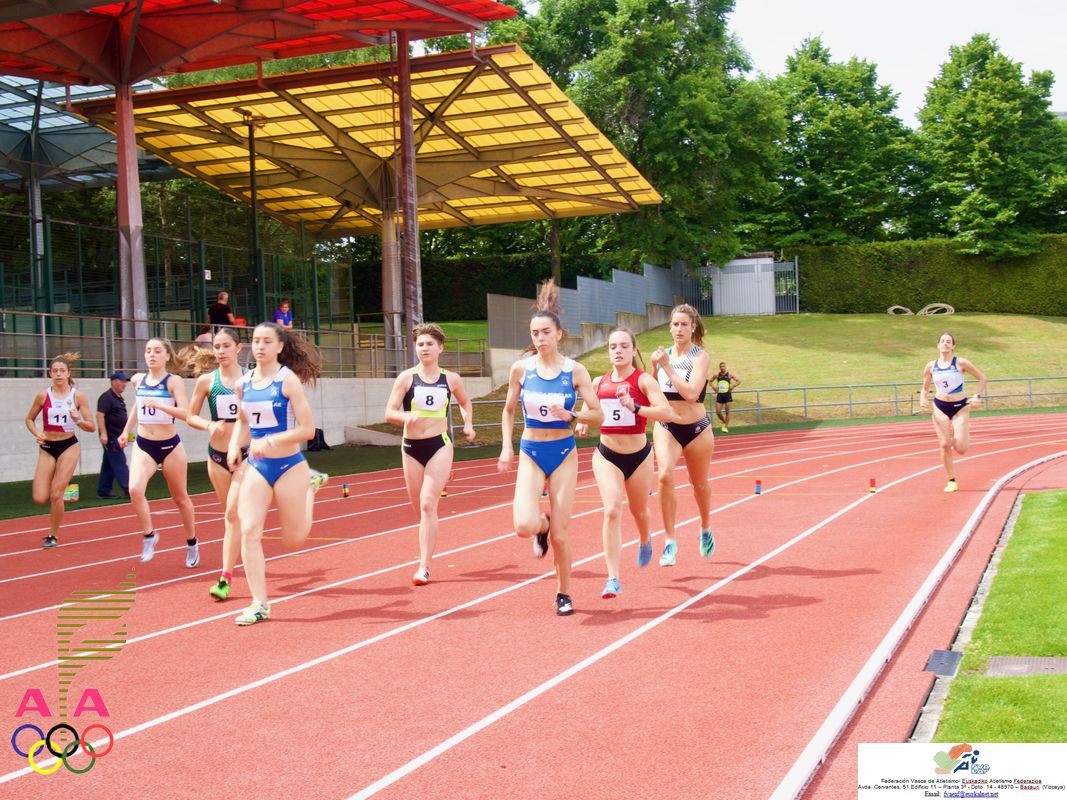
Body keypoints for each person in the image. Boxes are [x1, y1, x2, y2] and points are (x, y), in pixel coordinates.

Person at [498, 279, 602, 617]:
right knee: (523, 526)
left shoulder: (576, 371)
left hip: (562, 454)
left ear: (559, 334)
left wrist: (571, 415)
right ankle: (540, 526)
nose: (539, 339)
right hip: (530, 450)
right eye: (534, 333)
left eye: (545, 332)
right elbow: (509, 408)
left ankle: (564, 593)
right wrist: (506, 447)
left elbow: (598, 413)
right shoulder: (521, 369)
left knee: (561, 534)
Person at [227, 322, 329, 625]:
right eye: (256, 341)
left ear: (280, 347)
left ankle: (310, 486)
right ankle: (260, 603)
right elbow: (243, 422)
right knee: (249, 530)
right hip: (257, 467)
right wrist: (235, 445)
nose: (260, 346)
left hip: (289, 466)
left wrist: (270, 440)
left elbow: (307, 430)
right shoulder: (243, 384)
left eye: (267, 341)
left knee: (293, 541)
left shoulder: (288, 382)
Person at [575, 329, 675, 599]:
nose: (617, 350)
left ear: (633, 350)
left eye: (623, 346)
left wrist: (636, 408)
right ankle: (612, 578)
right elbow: (591, 411)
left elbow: (668, 412)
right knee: (611, 511)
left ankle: (645, 538)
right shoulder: (598, 383)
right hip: (607, 455)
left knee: (639, 510)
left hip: (639, 456)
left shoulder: (642, 381)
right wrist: (583, 421)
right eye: (612, 346)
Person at [384, 323, 476, 585]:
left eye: (429, 344)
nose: (424, 348)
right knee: (420, 508)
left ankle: (424, 566)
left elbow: (465, 402)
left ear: (440, 348)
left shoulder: (451, 379)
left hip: (439, 444)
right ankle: (430, 526)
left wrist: (467, 423)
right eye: (420, 344)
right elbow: (389, 412)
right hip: (411, 448)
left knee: (427, 503)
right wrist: (405, 416)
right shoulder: (406, 378)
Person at [118, 338, 199, 568]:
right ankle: (149, 535)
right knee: (134, 490)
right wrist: (126, 430)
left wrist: (162, 406)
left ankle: (192, 542)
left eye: (156, 351)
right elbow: (138, 404)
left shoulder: (173, 382)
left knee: (180, 498)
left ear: (166, 356)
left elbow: (186, 413)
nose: (151, 355)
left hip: (170, 446)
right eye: (147, 351)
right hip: (144, 445)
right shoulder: (137, 380)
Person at [184, 328, 250, 601]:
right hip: (216, 457)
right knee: (230, 517)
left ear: (239, 347)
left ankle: (224, 579)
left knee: (233, 514)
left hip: (246, 455)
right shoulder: (206, 381)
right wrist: (209, 424)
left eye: (226, 346)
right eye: (217, 346)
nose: (220, 351)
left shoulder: (251, 379)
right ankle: (246, 547)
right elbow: (190, 416)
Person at [652, 303, 715, 566]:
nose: (679, 328)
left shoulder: (701, 357)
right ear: (669, 328)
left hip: (697, 428)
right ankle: (669, 541)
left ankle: (705, 527)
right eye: (675, 324)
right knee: (665, 475)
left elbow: (691, 393)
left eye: (684, 324)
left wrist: (667, 368)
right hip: (668, 426)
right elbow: (651, 392)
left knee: (698, 484)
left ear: (693, 328)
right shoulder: (661, 356)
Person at [25, 353, 96, 548]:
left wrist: (77, 420)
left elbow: (92, 426)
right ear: (50, 373)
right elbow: (29, 419)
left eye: (62, 371)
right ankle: (56, 488)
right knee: (40, 498)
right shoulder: (43, 395)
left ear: (68, 373)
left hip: (68, 446)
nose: (58, 374)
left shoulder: (78, 396)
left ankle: (53, 535)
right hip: (47, 447)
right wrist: (36, 433)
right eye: (54, 371)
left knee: (57, 494)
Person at [920, 332, 988, 492]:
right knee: (944, 444)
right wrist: (923, 397)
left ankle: (961, 431)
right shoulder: (931, 366)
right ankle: (951, 481)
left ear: (953, 346)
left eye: (948, 341)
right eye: (942, 341)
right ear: (938, 345)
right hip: (940, 406)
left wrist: (977, 396)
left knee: (961, 448)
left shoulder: (960, 363)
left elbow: (983, 378)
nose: (945, 343)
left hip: (960, 407)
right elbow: (925, 386)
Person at [96, 371, 130, 499]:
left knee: (109, 464)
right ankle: (129, 488)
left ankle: (104, 490)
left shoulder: (117, 398)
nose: (124, 384)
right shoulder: (107, 397)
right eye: (122, 381)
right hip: (111, 437)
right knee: (120, 462)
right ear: (114, 382)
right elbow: (100, 415)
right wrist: (103, 434)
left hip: (117, 436)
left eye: (125, 381)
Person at [713, 362, 741, 433]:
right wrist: (714, 388)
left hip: (727, 395)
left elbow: (738, 381)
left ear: (725, 367)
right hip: (720, 395)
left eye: (723, 366)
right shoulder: (717, 375)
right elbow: (710, 381)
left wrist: (733, 386)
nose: (722, 367)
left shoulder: (729, 375)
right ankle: (724, 421)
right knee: (718, 412)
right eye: (721, 366)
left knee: (727, 412)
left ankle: (725, 427)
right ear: (719, 368)